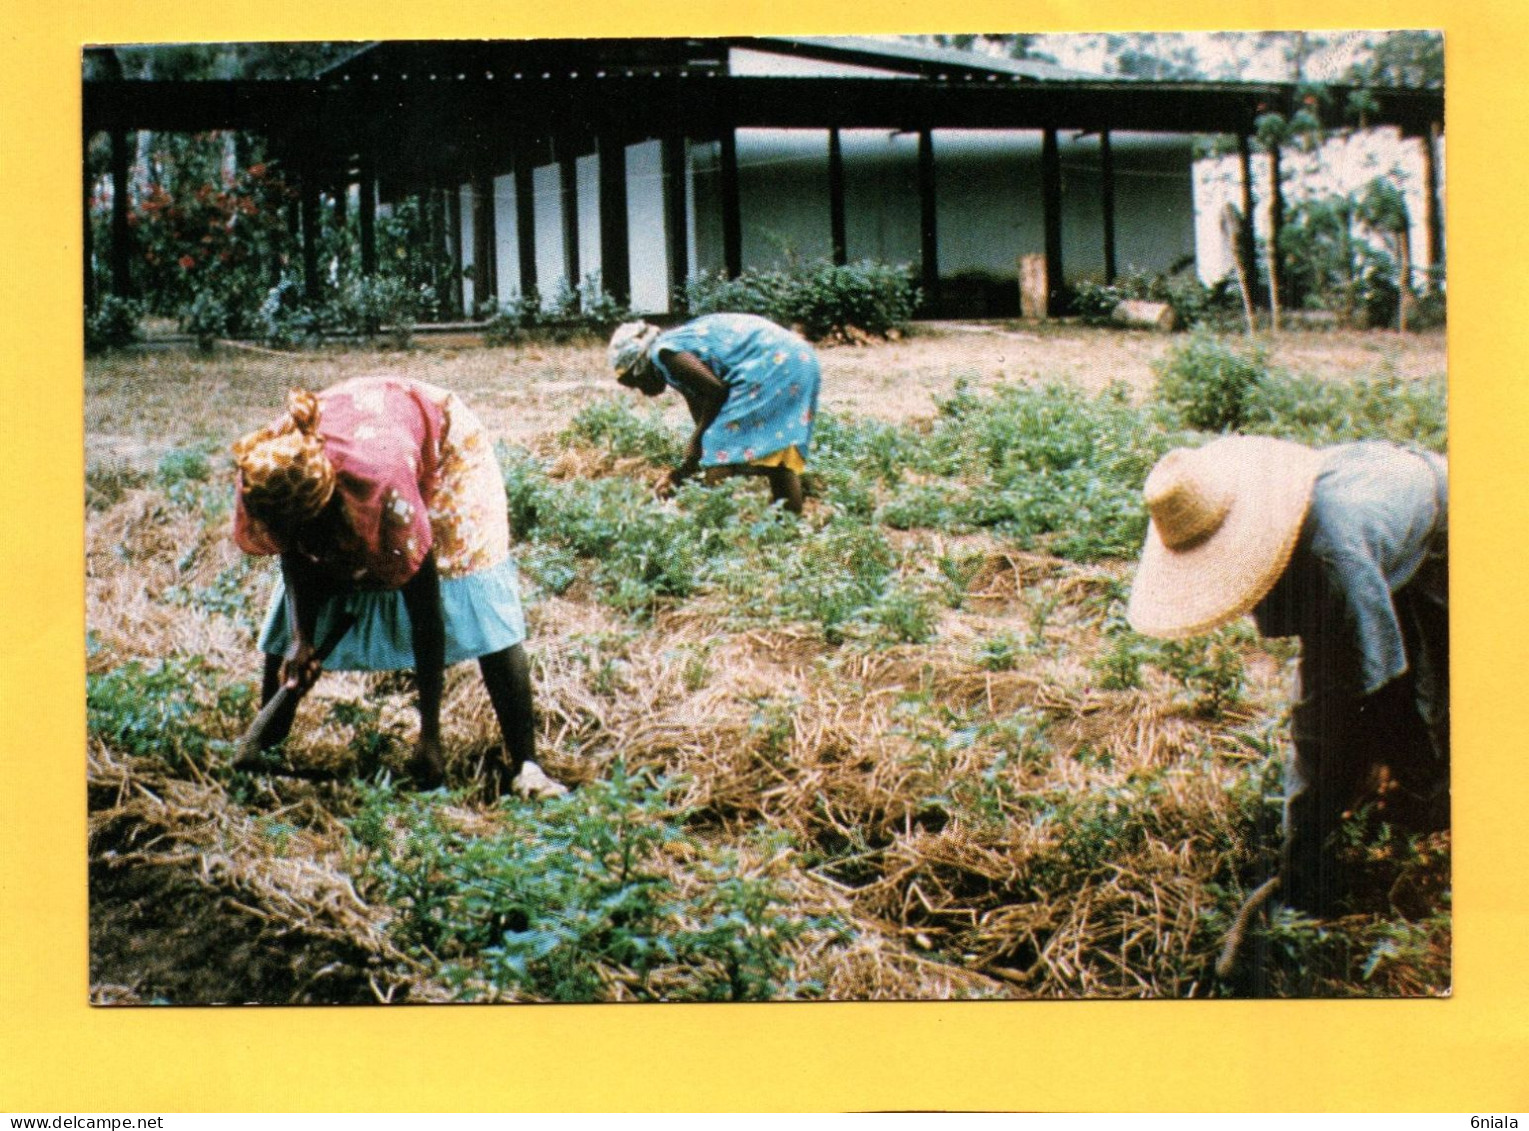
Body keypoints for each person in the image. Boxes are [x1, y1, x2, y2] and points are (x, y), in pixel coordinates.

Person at [1126, 435, 1448, 913]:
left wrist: (1387, 765)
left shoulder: (1334, 561)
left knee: (1440, 686)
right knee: (1350, 698)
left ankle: (1433, 809)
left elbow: (1372, 685)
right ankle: (1345, 837)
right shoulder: (1300, 539)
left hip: (1447, 522)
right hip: (1376, 512)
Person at [231, 377, 566, 799]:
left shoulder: (383, 491)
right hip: (368, 429)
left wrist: (430, 735)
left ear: (329, 508)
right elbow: (294, 554)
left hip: (440, 442)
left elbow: (426, 613)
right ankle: (268, 749)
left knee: (471, 580)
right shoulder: (268, 470)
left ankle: (527, 764)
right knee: (304, 597)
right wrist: (302, 638)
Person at [607, 314, 822, 514]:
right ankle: (788, 530)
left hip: (775, 363)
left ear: (640, 365)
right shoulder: (673, 349)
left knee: (717, 447)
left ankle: (717, 527)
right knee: (777, 454)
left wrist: (700, 440)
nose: (642, 391)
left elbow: (716, 391)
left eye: (635, 382)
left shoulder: (664, 353)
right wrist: (685, 469)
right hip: (798, 359)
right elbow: (701, 408)